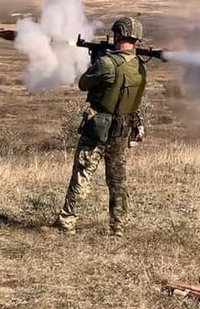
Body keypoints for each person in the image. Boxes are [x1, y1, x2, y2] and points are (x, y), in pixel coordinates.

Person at [51, 17, 147, 237]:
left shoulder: (106, 63)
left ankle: (67, 223)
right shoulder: (140, 67)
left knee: (82, 175)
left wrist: (96, 60)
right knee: (117, 182)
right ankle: (117, 227)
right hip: (122, 130)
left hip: (98, 130)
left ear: (118, 35)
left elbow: (84, 84)